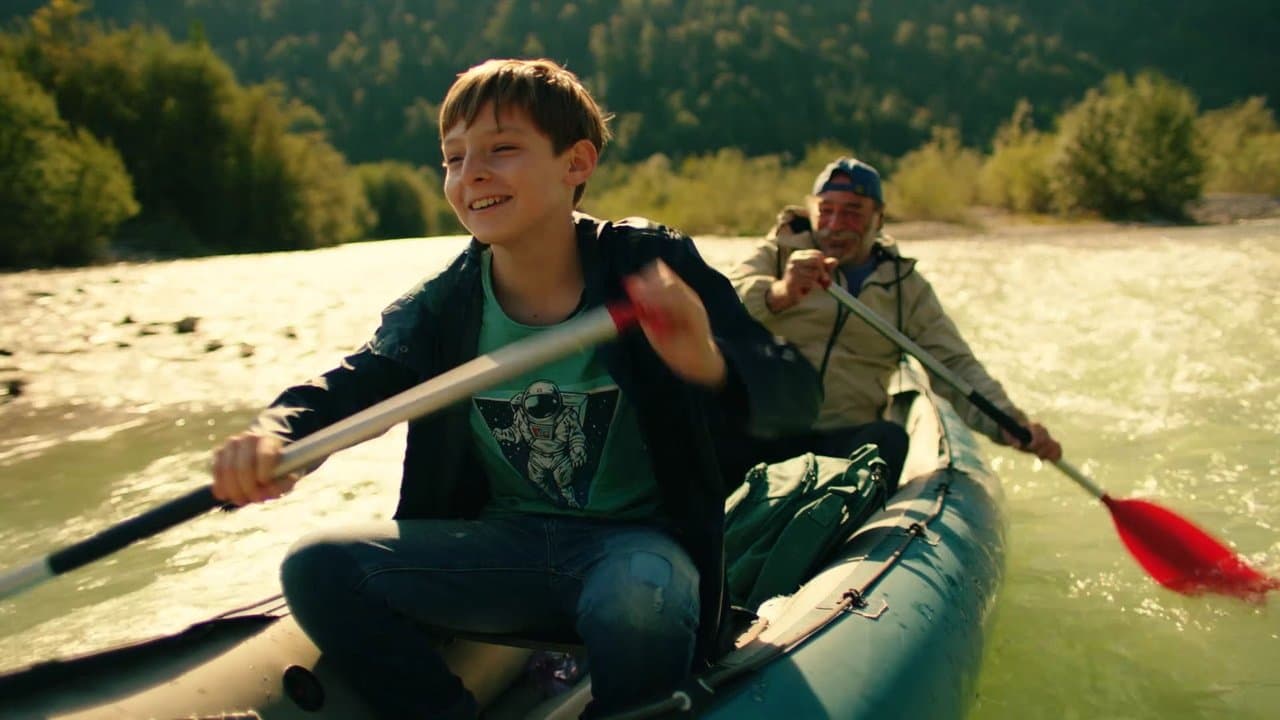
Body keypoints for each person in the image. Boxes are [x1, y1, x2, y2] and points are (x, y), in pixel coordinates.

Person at [210, 58, 820, 720]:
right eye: (453, 158)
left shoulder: (649, 264)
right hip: (501, 550)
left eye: (501, 149)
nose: (470, 173)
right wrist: (277, 434)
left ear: (575, 164)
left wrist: (706, 360)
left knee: (638, 590)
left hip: (635, 550)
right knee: (317, 566)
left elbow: (794, 393)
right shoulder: (444, 305)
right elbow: (353, 385)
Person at [726, 156, 1060, 489]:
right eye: (826, 211)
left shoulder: (906, 288)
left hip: (843, 437)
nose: (835, 225)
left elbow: (955, 366)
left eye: (852, 212)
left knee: (889, 439)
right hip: (762, 429)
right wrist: (780, 293)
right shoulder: (777, 255)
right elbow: (719, 306)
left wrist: (1011, 423)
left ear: (879, 218)